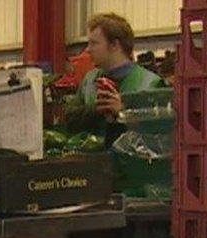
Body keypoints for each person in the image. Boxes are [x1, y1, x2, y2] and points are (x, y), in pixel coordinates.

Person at [64, 13, 165, 146]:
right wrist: (95, 110)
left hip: (132, 164)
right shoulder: (89, 81)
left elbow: (158, 134)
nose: (88, 49)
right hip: (91, 163)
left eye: (94, 43)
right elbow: (69, 120)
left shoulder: (150, 84)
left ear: (114, 45)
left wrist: (123, 113)